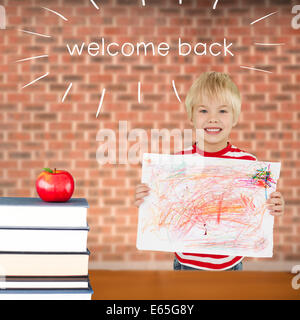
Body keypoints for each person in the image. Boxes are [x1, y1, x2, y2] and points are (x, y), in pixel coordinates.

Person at [134, 71, 285, 271]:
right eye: (203, 111)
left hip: (230, 267)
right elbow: (161, 207)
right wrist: (145, 199)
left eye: (222, 111)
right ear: (191, 117)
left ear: (235, 118)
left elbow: (260, 207)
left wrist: (275, 205)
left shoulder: (249, 165)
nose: (212, 118)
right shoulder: (176, 163)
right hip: (185, 265)